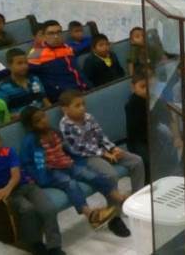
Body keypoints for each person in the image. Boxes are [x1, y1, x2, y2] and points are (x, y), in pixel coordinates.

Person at [19, 106, 121, 231]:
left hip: (68, 164)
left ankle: (117, 196)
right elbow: (27, 163)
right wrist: (39, 177)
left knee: (89, 174)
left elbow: (66, 149)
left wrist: (76, 159)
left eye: (43, 116)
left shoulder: (54, 132)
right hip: (51, 172)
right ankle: (90, 214)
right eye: (38, 121)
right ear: (31, 126)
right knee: (70, 183)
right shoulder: (30, 141)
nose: (44, 121)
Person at [0, 123, 63, 255]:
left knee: (49, 209)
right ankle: (35, 243)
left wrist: (7, 188)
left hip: (26, 186)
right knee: (27, 209)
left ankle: (54, 247)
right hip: (10, 195)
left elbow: (16, 175)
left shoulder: (8, 152)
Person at [58, 89, 142, 237]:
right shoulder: (65, 125)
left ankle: (135, 203)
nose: (82, 108)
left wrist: (113, 148)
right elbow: (79, 148)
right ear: (65, 109)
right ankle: (115, 218)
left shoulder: (88, 117)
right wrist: (103, 153)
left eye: (83, 104)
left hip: (103, 150)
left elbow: (101, 136)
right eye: (77, 105)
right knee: (111, 174)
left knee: (136, 161)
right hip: (87, 157)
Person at [124, 73, 181, 181]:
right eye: (142, 86)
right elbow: (137, 132)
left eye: (149, 86)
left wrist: (176, 137)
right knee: (150, 163)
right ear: (133, 88)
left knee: (170, 148)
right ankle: (151, 183)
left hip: (153, 136)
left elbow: (169, 118)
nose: (146, 90)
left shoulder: (154, 100)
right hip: (138, 142)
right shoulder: (131, 104)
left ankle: (175, 175)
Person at [28, 20, 88, 103]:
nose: (56, 36)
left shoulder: (67, 47)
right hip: (60, 97)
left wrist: (86, 87)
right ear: (44, 36)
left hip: (80, 90)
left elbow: (77, 71)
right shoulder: (36, 52)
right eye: (51, 33)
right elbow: (29, 76)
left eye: (58, 32)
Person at [0, 48, 51, 114]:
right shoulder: (3, 89)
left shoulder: (34, 79)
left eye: (26, 63)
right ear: (9, 66)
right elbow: (3, 114)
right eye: (19, 63)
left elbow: (45, 101)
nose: (24, 66)